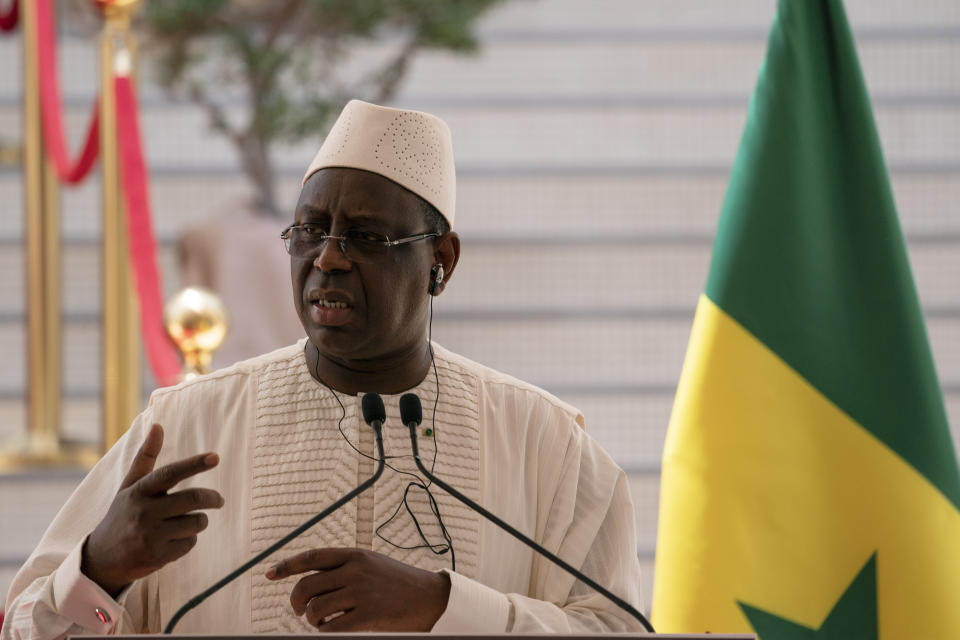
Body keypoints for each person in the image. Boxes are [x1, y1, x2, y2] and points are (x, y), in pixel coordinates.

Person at [2, 100, 644, 637]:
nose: (328, 258)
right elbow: (24, 627)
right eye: (309, 231)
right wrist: (100, 569)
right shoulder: (187, 426)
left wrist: (443, 606)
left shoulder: (546, 443)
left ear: (440, 262)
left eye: (366, 237)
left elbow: (618, 629)